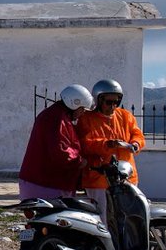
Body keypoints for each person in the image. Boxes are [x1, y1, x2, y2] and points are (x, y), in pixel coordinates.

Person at [78, 78, 144, 224]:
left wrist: (135, 144)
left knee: (129, 216)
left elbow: (137, 135)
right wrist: (107, 144)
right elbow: (84, 144)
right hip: (99, 179)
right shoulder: (86, 119)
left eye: (116, 102)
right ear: (99, 100)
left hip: (126, 177)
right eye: (109, 102)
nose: (113, 106)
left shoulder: (126, 116)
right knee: (102, 218)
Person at [18, 84, 93, 200]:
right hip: (46, 183)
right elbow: (60, 151)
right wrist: (81, 161)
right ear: (74, 104)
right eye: (82, 109)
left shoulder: (56, 115)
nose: (82, 113)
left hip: (43, 182)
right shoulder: (57, 119)